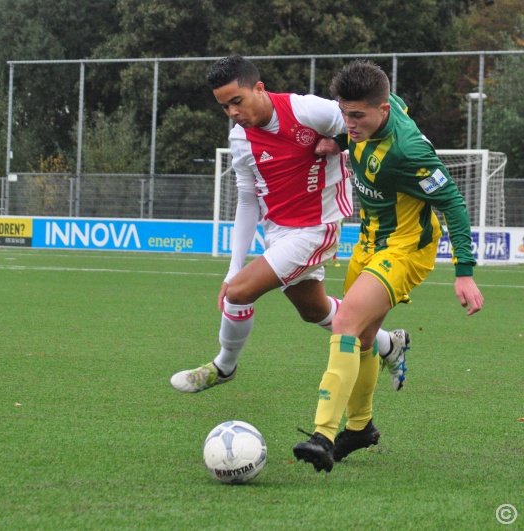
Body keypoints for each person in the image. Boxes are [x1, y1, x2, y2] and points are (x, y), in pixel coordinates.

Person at [170, 55, 410, 394]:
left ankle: (224, 366)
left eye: (237, 101)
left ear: (259, 88)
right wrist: (232, 266)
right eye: (225, 107)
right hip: (279, 231)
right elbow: (248, 199)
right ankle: (389, 344)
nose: (233, 113)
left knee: (238, 294)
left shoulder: (306, 111)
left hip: (317, 227)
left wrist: (339, 142)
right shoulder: (241, 140)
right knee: (315, 310)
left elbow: (365, 122)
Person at [292, 60, 484, 472]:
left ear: (383, 109)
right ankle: (360, 429)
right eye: (344, 113)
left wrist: (464, 270)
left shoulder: (410, 150)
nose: (348, 122)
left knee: (344, 324)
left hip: (405, 247)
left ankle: (322, 435)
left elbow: (451, 201)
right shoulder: (374, 109)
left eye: (357, 116)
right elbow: (352, 127)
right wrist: (341, 143)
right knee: (361, 337)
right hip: (367, 240)